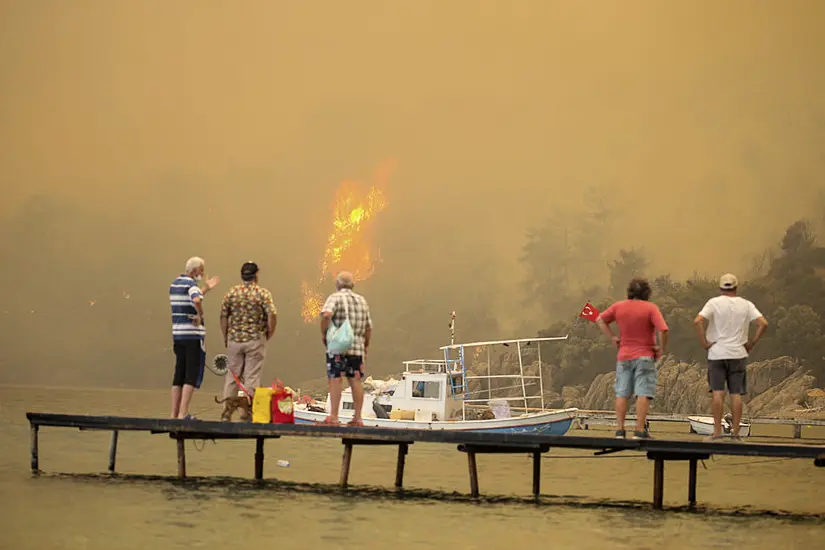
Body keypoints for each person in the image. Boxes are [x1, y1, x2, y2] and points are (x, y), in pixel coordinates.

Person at [693, 273, 768, 441]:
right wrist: (751, 343)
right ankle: (735, 433)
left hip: (717, 354)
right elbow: (763, 323)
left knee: (718, 394)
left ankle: (717, 432)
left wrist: (705, 342)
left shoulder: (713, 303)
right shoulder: (746, 305)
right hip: (738, 354)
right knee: (736, 394)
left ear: (721, 288)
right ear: (736, 287)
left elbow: (697, 321)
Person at [596, 278, 669, 440]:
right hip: (645, 356)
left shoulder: (618, 307)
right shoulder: (650, 308)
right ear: (646, 293)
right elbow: (663, 330)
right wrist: (661, 348)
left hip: (624, 356)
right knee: (643, 393)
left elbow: (600, 319)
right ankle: (639, 430)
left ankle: (620, 431)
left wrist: (613, 337)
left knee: (622, 393)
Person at [219, 261, 277, 421]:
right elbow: (272, 315)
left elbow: (223, 315)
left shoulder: (232, 293)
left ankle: (226, 412)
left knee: (232, 377)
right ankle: (246, 413)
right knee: (251, 376)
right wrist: (268, 333)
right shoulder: (262, 294)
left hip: (234, 340)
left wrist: (226, 336)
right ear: (256, 276)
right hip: (255, 340)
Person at [319, 271, 372, 426]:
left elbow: (326, 315)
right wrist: (366, 345)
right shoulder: (362, 301)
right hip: (357, 349)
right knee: (355, 380)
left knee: (336, 378)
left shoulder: (335, 298)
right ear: (353, 285)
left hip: (338, 347)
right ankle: (358, 418)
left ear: (337, 284)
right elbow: (368, 327)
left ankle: (334, 417)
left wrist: (324, 334)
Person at [169, 256, 220, 419]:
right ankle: (183, 413)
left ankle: (174, 413)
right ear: (195, 270)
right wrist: (200, 315)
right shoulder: (191, 285)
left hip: (178, 335)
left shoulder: (175, 284)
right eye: (202, 270)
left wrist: (206, 289)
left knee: (179, 374)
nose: (203, 273)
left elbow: (193, 297)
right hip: (192, 336)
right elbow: (196, 299)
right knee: (191, 374)